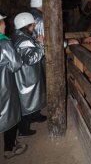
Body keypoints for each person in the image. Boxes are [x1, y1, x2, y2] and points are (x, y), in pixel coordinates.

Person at [12, 12, 46, 137]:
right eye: (32, 25)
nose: (34, 27)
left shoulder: (20, 35)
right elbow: (31, 59)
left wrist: (36, 44)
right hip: (27, 77)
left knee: (32, 99)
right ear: (25, 26)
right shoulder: (23, 40)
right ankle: (23, 130)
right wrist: (40, 45)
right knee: (26, 102)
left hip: (28, 75)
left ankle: (35, 116)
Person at [0, 13, 27, 159]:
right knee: (9, 113)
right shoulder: (4, 43)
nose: (5, 24)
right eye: (2, 22)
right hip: (4, 85)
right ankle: (9, 148)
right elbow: (16, 64)